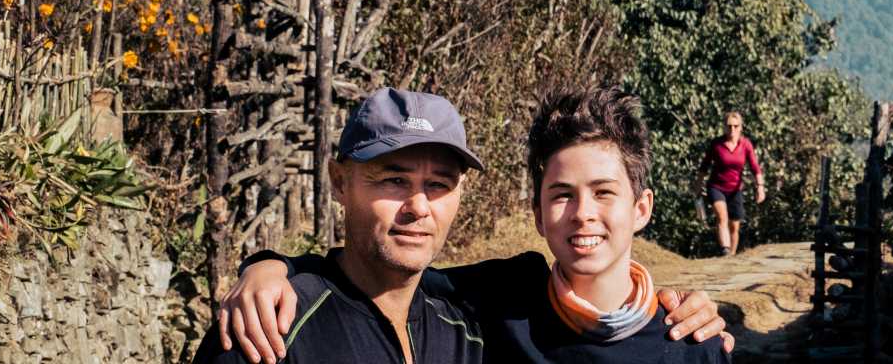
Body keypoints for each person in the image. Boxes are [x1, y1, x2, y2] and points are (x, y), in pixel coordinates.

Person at [196, 87, 730, 364]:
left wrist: (681, 311)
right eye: (393, 180)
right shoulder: (266, 331)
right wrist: (271, 267)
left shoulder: (475, 319)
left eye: (439, 184)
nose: (418, 206)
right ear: (340, 182)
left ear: (642, 208)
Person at [699, 111, 763, 256]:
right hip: (716, 187)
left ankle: (732, 256)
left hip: (735, 190)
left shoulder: (745, 145)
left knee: (734, 226)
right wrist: (698, 184)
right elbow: (705, 166)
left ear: (741, 127)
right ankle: (725, 250)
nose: (732, 129)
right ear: (724, 127)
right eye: (729, 126)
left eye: (735, 126)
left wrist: (760, 188)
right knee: (722, 217)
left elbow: (755, 167)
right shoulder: (716, 144)